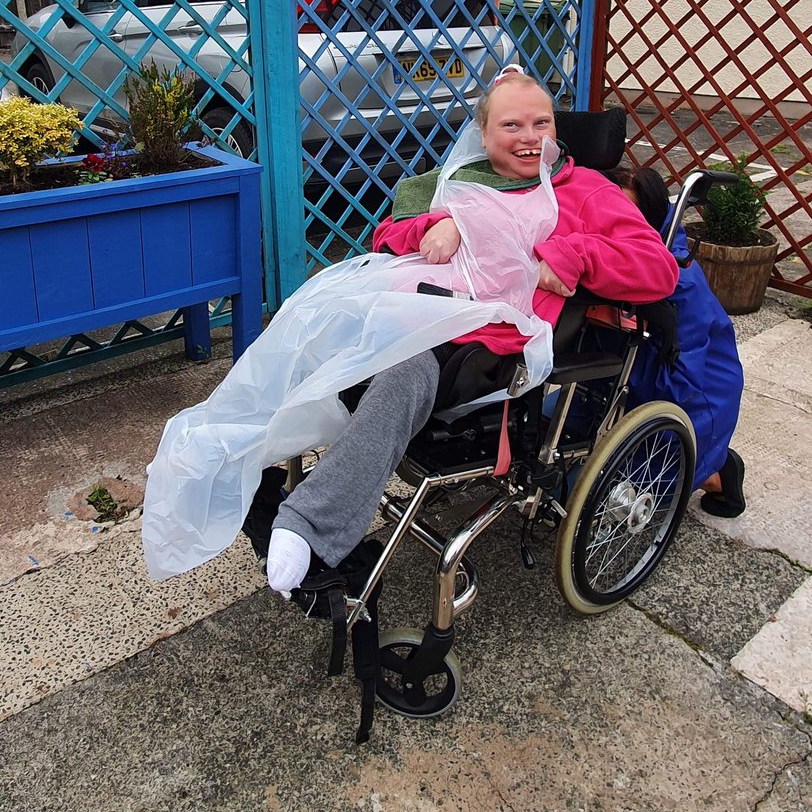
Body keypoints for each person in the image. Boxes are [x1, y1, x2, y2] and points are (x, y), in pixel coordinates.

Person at [265, 73, 681, 595]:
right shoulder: (463, 177)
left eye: (541, 123)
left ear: (556, 130)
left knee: (403, 371)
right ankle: (256, 459)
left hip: (489, 343)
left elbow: (658, 268)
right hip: (420, 303)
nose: (530, 137)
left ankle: (308, 524)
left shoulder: (586, 191)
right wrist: (439, 223)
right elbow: (388, 235)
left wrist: (574, 252)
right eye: (512, 125)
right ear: (484, 135)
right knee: (313, 322)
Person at [607, 165, 746, 517]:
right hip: (640, 375)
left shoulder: (679, 284)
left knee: (640, 487)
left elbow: (680, 385)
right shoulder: (608, 259)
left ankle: (717, 474)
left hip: (697, 390)